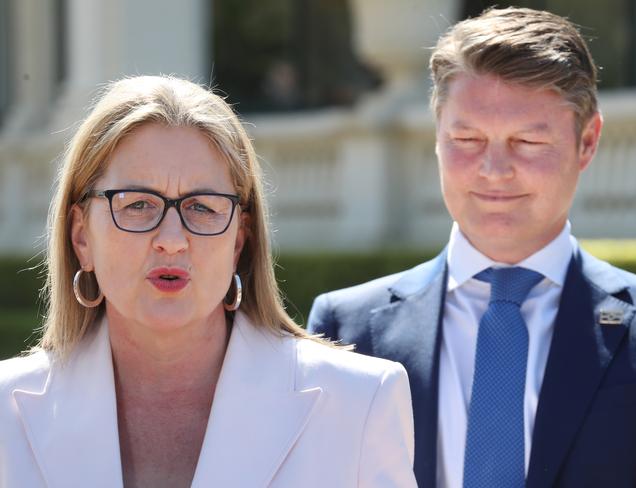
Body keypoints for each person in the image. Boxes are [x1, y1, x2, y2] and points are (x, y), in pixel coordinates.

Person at [0, 75, 417, 487]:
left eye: (202, 207)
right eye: (139, 204)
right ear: (81, 237)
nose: (172, 241)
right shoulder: (6, 411)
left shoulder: (359, 403)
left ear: (238, 241)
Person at [308, 7, 636, 488]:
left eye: (527, 141)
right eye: (466, 138)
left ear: (587, 142)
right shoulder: (345, 331)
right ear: (437, 137)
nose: (493, 168)